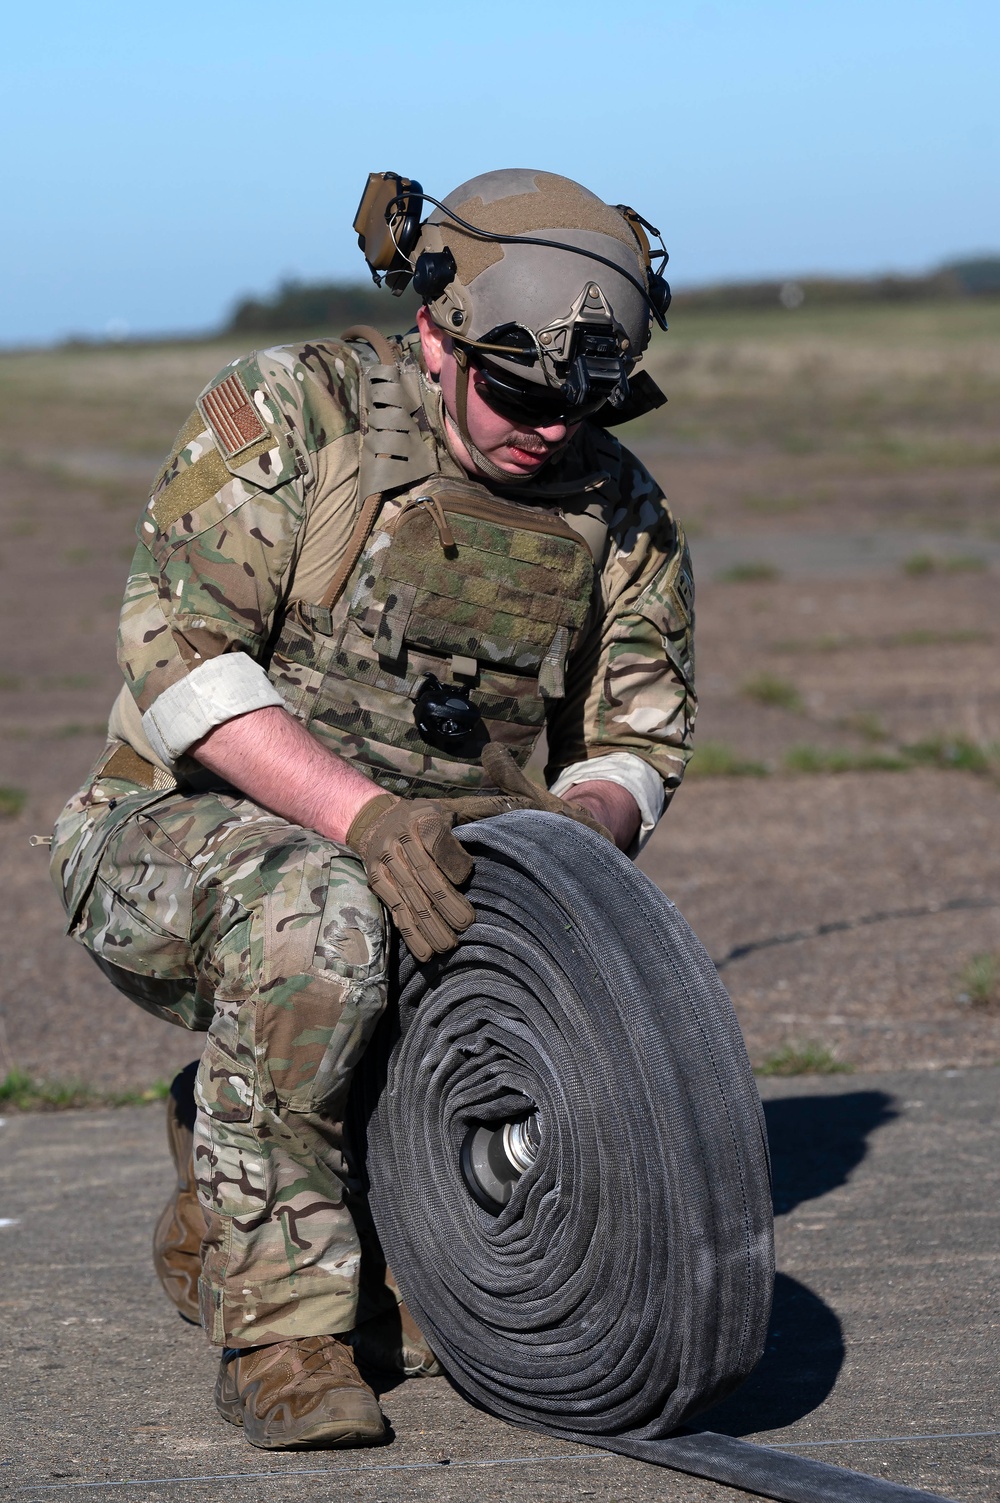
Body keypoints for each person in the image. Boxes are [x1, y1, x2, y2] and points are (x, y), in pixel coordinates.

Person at [49, 169, 696, 1451]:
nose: (552, 430)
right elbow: (178, 656)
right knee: (326, 931)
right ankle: (280, 1337)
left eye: (587, 402)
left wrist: (576, 840)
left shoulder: (616, 511)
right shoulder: (295, 414)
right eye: (517, 393)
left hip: (437, 868)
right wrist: (365, 818)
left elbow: (637, 731)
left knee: (532, 995)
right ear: (433, 339)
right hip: (173, 840)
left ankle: (233, 1178)